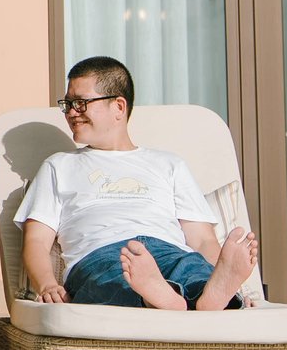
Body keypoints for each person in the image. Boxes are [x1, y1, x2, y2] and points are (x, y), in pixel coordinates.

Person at [16, 56, 258, 311]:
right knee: (110, 281)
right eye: (67, 104)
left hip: (171, 252)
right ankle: (161, 297)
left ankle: (211, 295)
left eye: (80, 103)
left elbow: (202, 240)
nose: (71, 112)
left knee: (194, 270)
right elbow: (37, 241)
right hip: (101, 255)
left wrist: (219, 274)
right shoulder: (59, 166)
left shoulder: (168, 164)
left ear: (119, 107)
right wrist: (47, 284)